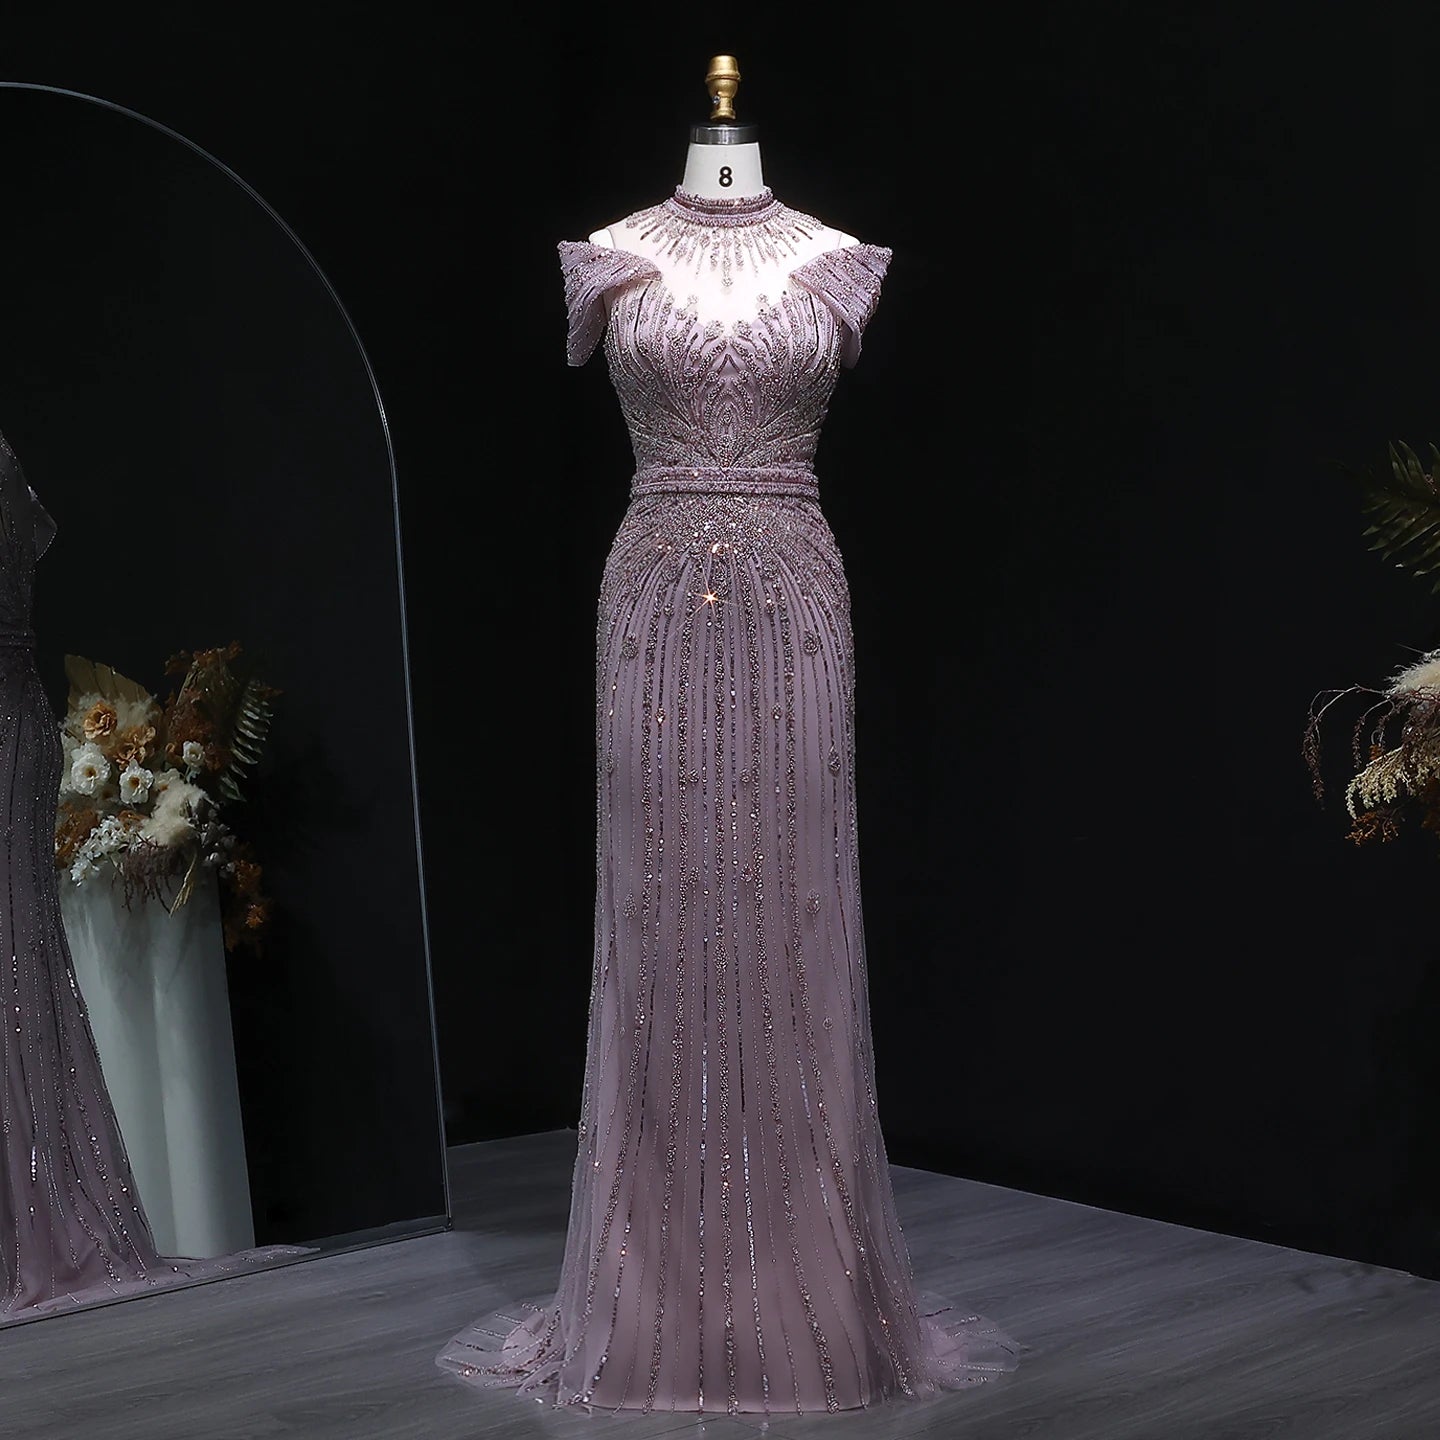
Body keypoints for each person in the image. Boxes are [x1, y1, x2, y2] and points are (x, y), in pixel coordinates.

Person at [437, 57, 1020, 1414]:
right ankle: (651, 1284)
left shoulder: (834, 259)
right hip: (649, 604)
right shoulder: (611, 255)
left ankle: (801, 1279)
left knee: (790, 905)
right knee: (660, 915)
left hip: (795, 601)